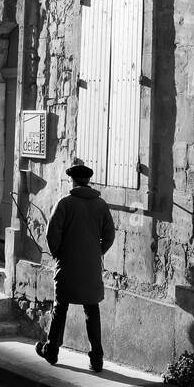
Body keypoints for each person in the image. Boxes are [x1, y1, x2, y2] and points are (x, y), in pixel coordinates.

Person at [36, 159, 115, 373]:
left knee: (60, 308)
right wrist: (96, 253)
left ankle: (52, 350)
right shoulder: (101, 205)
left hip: (68, 265)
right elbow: (109, 235)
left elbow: (52, 235)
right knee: (92, 310)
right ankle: (96, 359)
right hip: (91, 267)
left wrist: (59, 255)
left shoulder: (65, 203)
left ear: (72, 181)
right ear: (87, 181)